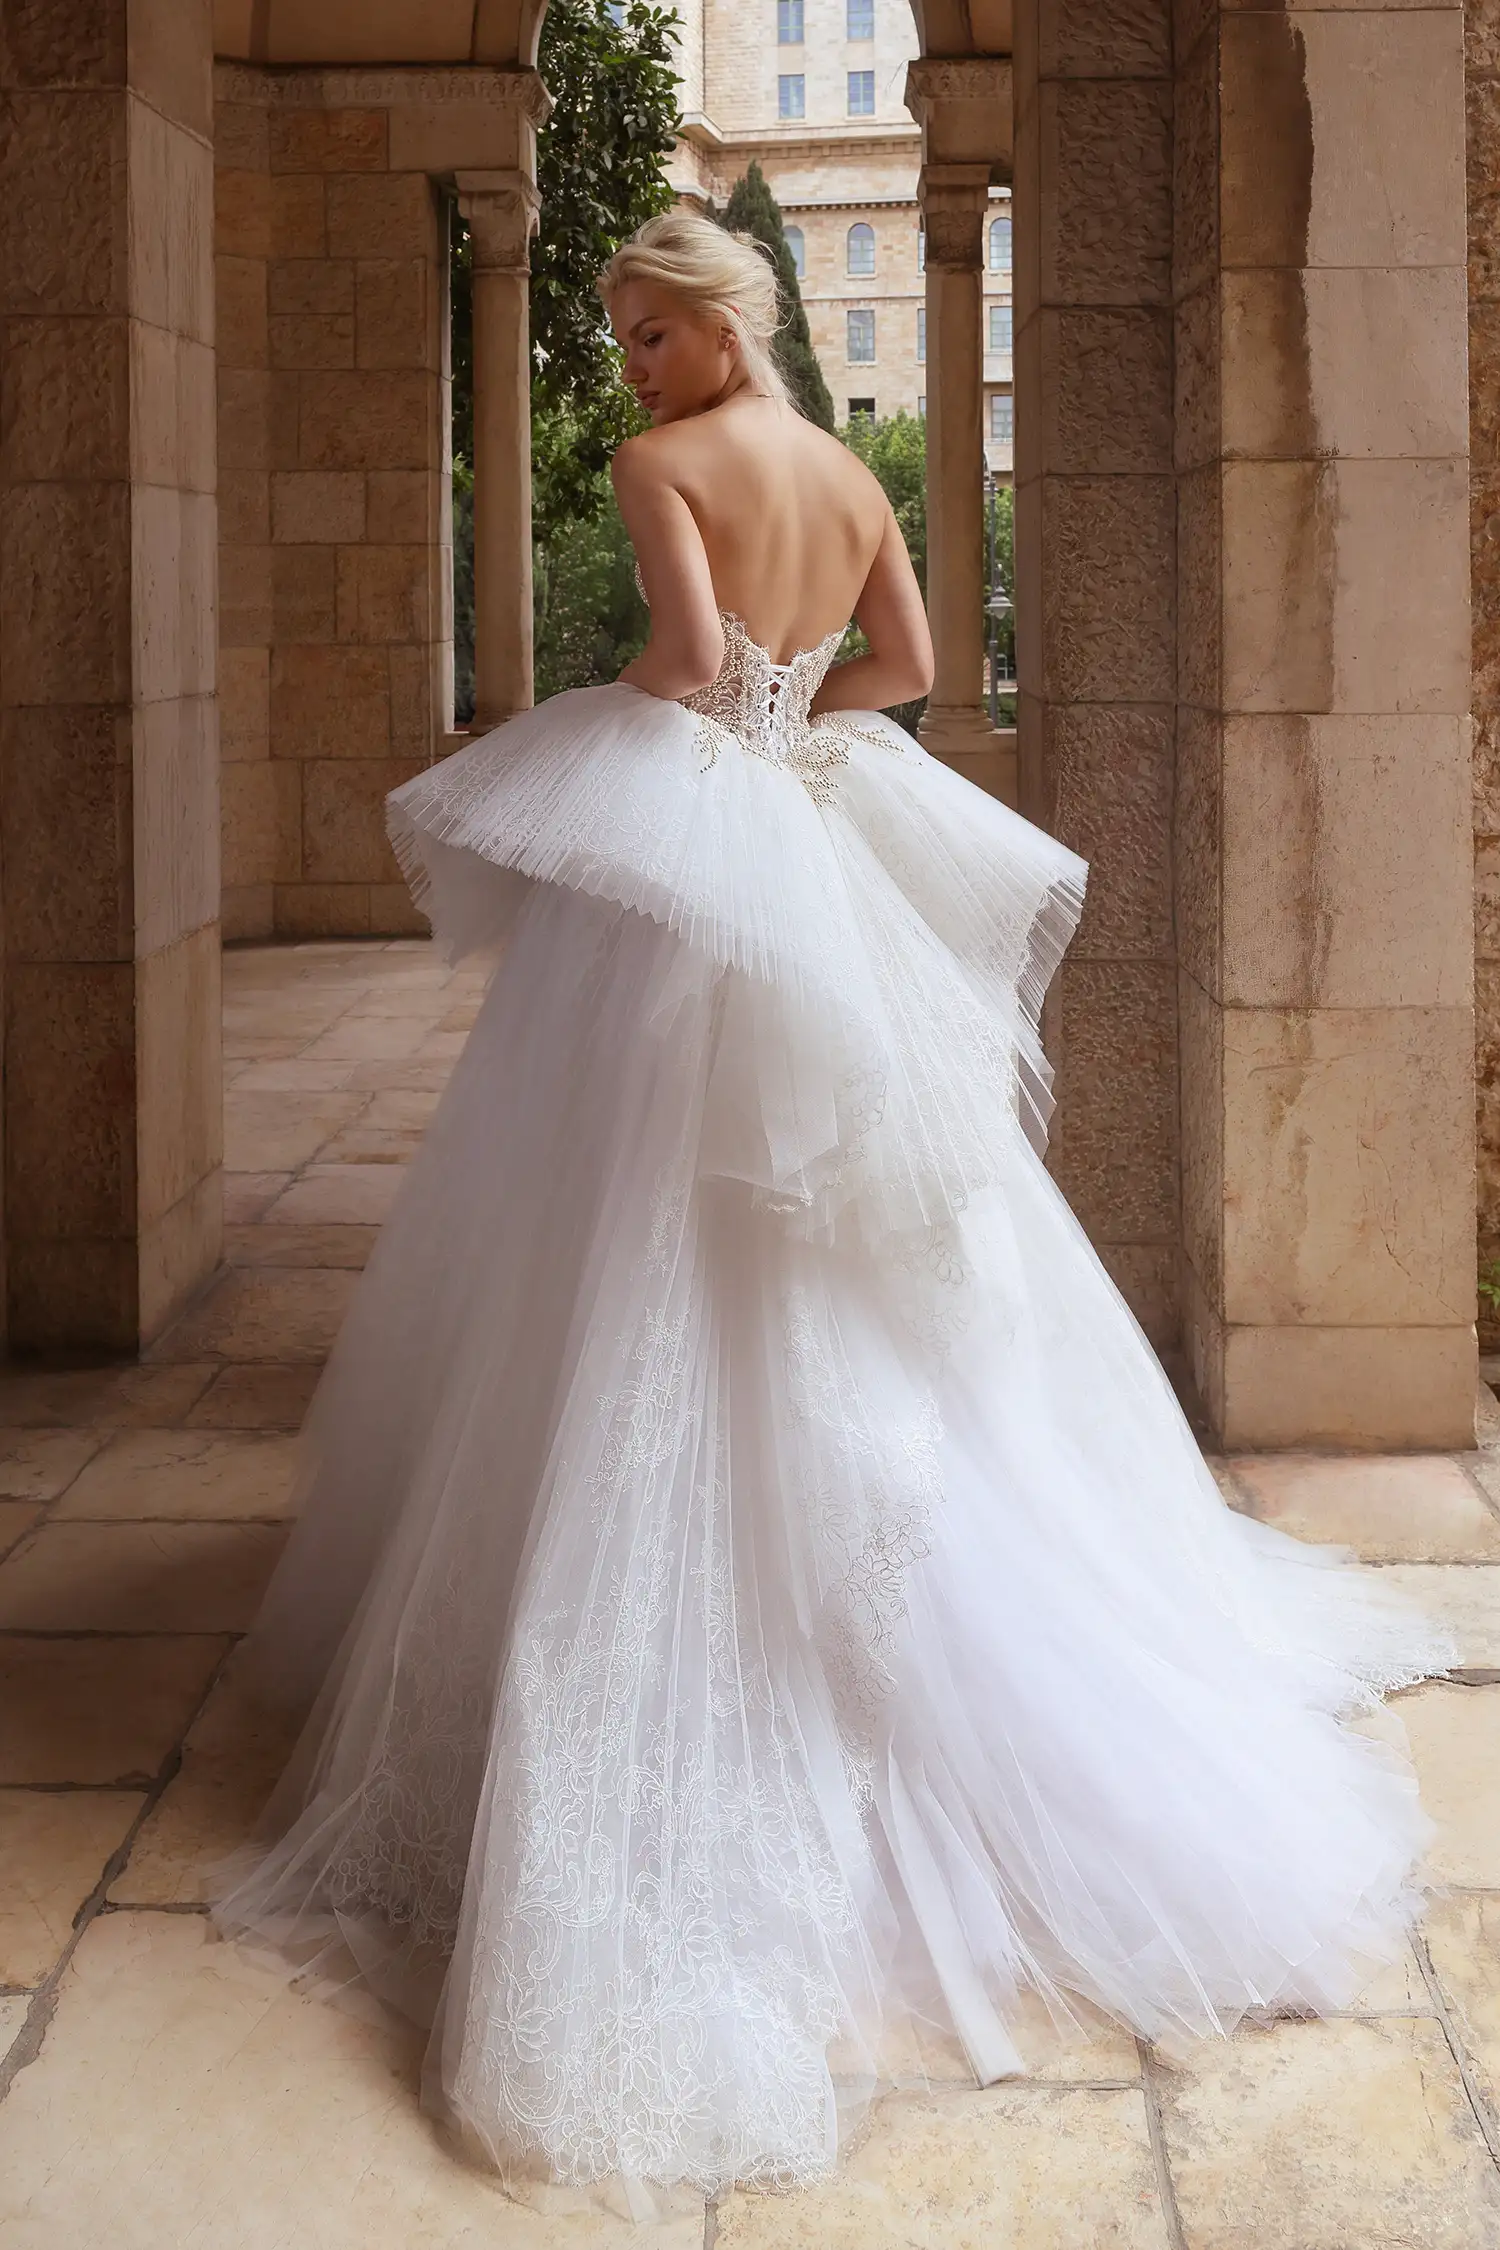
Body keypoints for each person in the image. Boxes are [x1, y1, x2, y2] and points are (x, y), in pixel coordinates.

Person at [212, 211, 1455, 2214]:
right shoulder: (848, 469)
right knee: (864, 1237)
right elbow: (917, 668)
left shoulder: (661, 469)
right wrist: (798, 729)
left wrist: (676, 720)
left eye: (644, 334)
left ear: (715, 325)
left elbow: (691, 664)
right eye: (619, 340)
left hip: (711, 865)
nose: (626, 369)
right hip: (818, 835)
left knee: (632, 1233)